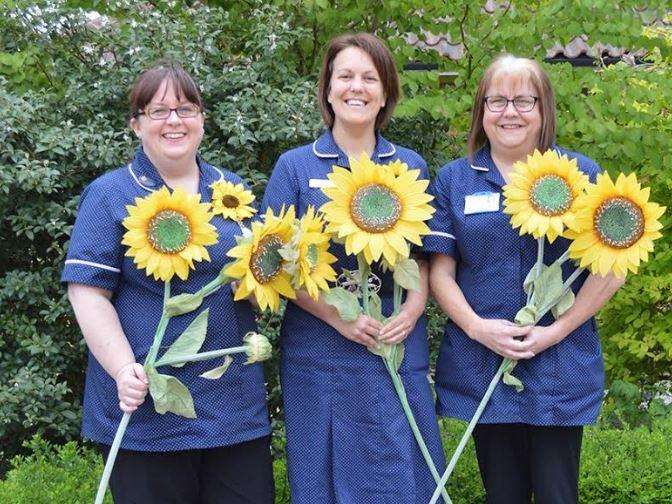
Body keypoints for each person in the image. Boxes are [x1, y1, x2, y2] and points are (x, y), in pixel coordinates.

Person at [62, 60, 274, 503]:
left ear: (201, 120)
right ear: (136, 124)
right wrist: (123, 369)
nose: (174, 120)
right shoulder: (110, 194)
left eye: (186, 108)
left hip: (232, 407)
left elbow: (254, 279)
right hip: (146, 409)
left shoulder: (230, 190)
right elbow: (88, 292)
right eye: (158, 111)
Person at [424, 54, 626, 504]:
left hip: (559, 367)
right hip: (484, 366)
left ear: (543, 109)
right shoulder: (454, 181)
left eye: (522, 101)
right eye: (497, 100)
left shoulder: (581, 176)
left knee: (558, 495)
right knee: (503, 495)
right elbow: (439, 270)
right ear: (481, 110)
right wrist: (478, 328)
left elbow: (612, 268)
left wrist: (554, 332)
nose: (509, 112)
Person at [260, 33, 445, 503]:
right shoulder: (295, 167)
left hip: (395, 340)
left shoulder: (409, 165)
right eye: (345, 76)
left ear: (386, 93)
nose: (356, 87)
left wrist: (416, 306)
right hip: (320, 347)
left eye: (369, 77)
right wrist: (335, 316)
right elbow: (273, 264)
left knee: (401, 469)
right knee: (324, 478)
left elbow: (423, 256)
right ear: (327, 88)